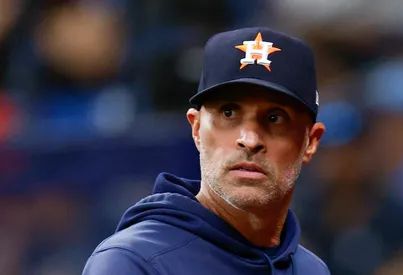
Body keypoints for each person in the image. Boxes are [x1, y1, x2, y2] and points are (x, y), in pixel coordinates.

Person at [82, 27, 329, 275]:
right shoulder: (132, 262)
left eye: (275, 118)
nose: (250, 139)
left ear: (311, 142)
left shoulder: (312, 269)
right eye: (228, 113)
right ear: (197, 129)